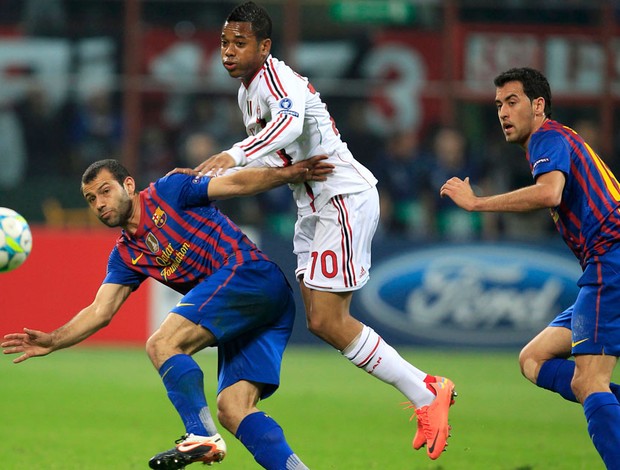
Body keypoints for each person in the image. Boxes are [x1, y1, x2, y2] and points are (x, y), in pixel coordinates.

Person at [192, 1, 457, 460]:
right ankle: (426, 390)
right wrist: (210, 182)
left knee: (327, 320)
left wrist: (233, 155)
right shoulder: (246, 92)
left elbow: (290, 123)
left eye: (239, 43)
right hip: (312, 209)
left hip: (342, 199)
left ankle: (427, 391)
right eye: (223, 43)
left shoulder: (278, 79)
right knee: (321, 321)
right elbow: (278, 153)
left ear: (265, 46)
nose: (228, 52)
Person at [1, 156, 333, 470]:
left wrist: (288, 175)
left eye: (105, 191)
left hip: (250, 275)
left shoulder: (168, 191)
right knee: (234, 410)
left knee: (162, 344)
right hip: (258, 305)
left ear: (128, 186)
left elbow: (233, 184)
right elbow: (101, 311)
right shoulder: (126, 254)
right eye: (91, 199)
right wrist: (53, 340)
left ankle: (201, 435)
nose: (100, 204)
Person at [439, 67, 620, 469]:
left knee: (589, 381)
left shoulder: (548, 136)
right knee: (533, 360)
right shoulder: (556, 140)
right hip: (605, 264)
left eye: (513, 101)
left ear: (538, 106)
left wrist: (477, 203)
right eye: (499, 104)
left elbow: (549, 192)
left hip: (612, 259)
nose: (503, 111)